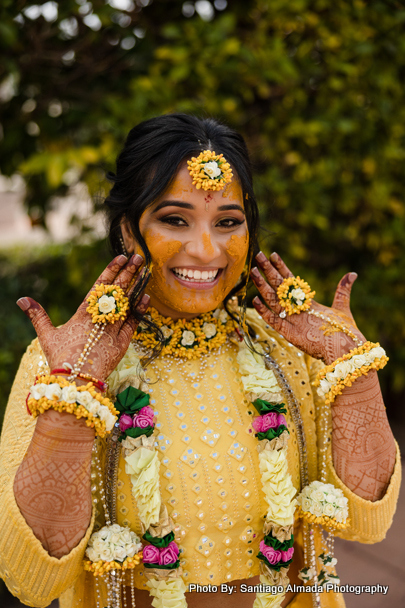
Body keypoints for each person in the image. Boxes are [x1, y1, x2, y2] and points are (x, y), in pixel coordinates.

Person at [0, 114, 400, 608]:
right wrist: (73, 394)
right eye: (174, 219)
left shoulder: (288, 350)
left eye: (228, 222)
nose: (207, 250)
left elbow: (368, 520)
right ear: (128, 230)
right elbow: (32, 579)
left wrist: (353, 370)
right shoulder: (63, 364)